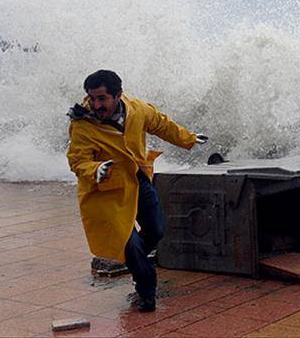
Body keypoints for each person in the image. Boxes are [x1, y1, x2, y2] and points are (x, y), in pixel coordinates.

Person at [66, 70, 207, 312]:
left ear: (118, 95)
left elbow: (161, 124)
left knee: (157, 229)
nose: (96, 104)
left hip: (137, 178)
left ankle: (135, 260)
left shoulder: (137, 110)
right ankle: (145, 291)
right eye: (92, 98)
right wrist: (95, 169)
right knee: (129, 244)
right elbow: (77, 160)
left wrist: (188, 139)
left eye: (102, 98)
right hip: (105, 190)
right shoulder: (82, 124)